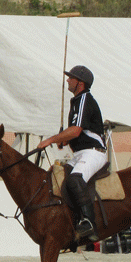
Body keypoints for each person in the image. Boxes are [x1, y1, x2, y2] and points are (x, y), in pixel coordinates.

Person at [37, 65, 107, 240]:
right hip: (80, 154)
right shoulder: (76, 101)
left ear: (80, 83)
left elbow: (75, 131)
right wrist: (64, 140)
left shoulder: (85, 99)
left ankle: (89, 222)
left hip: (94, 152)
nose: (67, 80)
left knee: (75, 179)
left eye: (71, 77)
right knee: (60, 178)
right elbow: (77, 133)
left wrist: (52, 139)